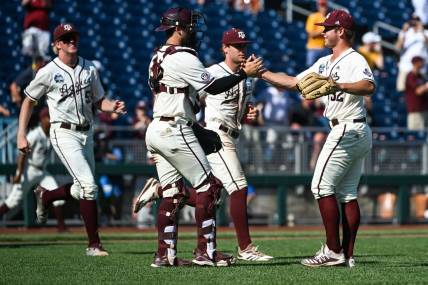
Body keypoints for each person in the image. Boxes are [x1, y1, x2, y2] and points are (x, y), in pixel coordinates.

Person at [139, 7, 262, 267]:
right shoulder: (183, 56)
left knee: (172, 193)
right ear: (179, 28)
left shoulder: (157, 55)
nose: (194, 31)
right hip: (175, 128)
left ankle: (165, 255)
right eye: (190, 26)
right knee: (210, 188)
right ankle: (205, 252)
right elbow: (214, 86)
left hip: (158, 126)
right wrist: (243, 74)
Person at [259, 10, 375, 268]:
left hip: (348, 129)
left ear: (341, 31)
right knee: (346, 193)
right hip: (350, 130)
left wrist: (340, 85)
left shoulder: (354, 59)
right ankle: (348, 254)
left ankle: (333, 251)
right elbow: (292, 82)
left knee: (320, 187)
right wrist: (262, 74)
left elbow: (369, 86)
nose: (322, 31)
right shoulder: (324, 62)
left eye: (328, 28)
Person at [16, 23, 127, 256]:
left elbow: (99, 101)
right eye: (65, 39)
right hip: (63, 131)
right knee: (89, 185)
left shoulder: (89, 68)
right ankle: (93, 244)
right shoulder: (47, 71)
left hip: (87, 132)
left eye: (73, 37)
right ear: (56, 45)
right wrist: (21, 134)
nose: (71, 41)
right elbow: (27, 100)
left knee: (81, 188)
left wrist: (112, 107)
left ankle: (46, 195)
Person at [0, 108, 67, 231]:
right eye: (48, 117)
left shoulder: (51, 134)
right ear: (42, 119)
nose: (51, 120)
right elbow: (22, 154)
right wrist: (19, 173)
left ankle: (61, 227)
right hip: (29, 170)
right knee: (13, 201)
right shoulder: (35, 134)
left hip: (42, 172)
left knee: (55, 193)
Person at [395, 14, 428, 92]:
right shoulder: (405, 33)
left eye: (417, 20)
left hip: (420, 67)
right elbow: (397, 47)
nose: (414, 22)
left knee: (419, 90)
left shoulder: (426, 33)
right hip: (405, 65)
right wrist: (403, 31)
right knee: (402, 89)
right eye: (413, 20)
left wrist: (422, 31)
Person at [405, 55, 428, 130]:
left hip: (423, 109)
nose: (422, 64)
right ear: (415, 63)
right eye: (420, 62)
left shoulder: (421, 76)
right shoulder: (411, 76)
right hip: (415, 111)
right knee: (416, 137)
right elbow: (418, 91)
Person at [305, 0, 330, 67]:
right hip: (314, 48)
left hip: (325, 48)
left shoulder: (329, 18)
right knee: (310, 72)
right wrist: (324, 30)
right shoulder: (313, 16)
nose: (323, 7)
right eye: (321, 5)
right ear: (318, 6)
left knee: (325, 71)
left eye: (324, 5)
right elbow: (312, 34)